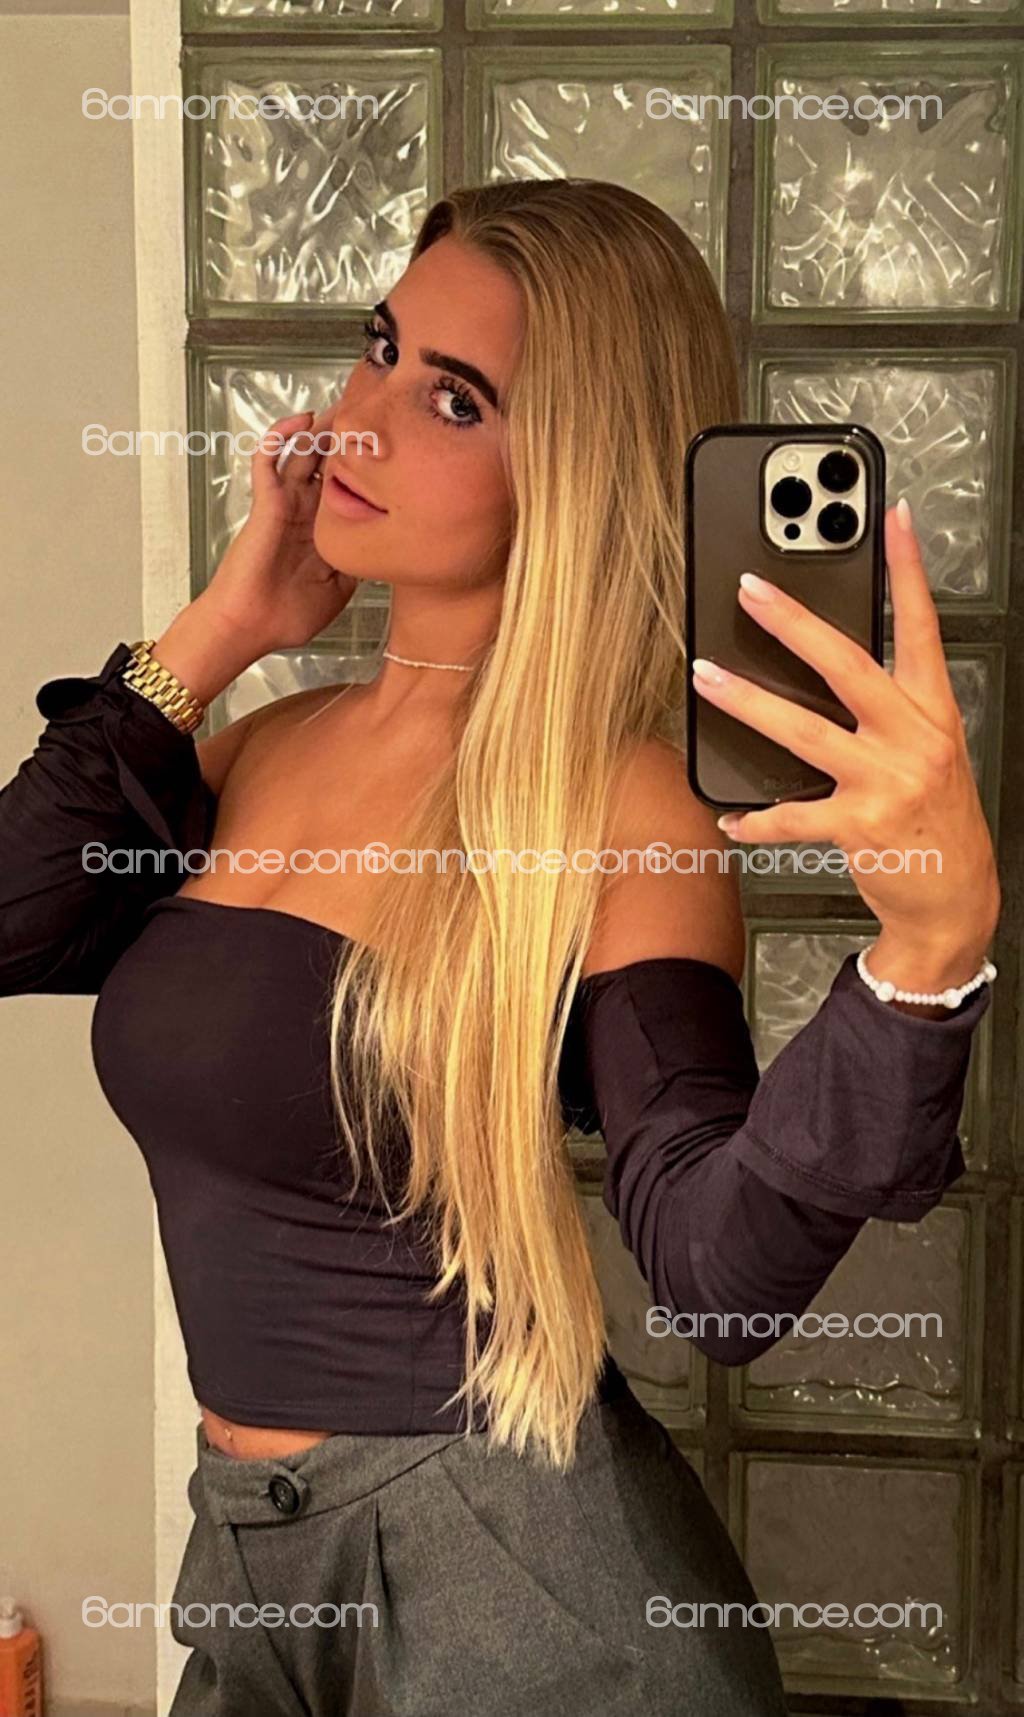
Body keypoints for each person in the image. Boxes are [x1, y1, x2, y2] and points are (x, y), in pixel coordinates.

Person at [0, 179, 998, 1717]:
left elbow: (717, 1274)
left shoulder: (618, 802)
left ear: (574, 468)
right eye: (378, 349)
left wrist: (928, 947)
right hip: (253, 1565)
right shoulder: (262, 743)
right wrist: (216, 631)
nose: (362, 418)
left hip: (520, 1591)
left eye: (454, 398)